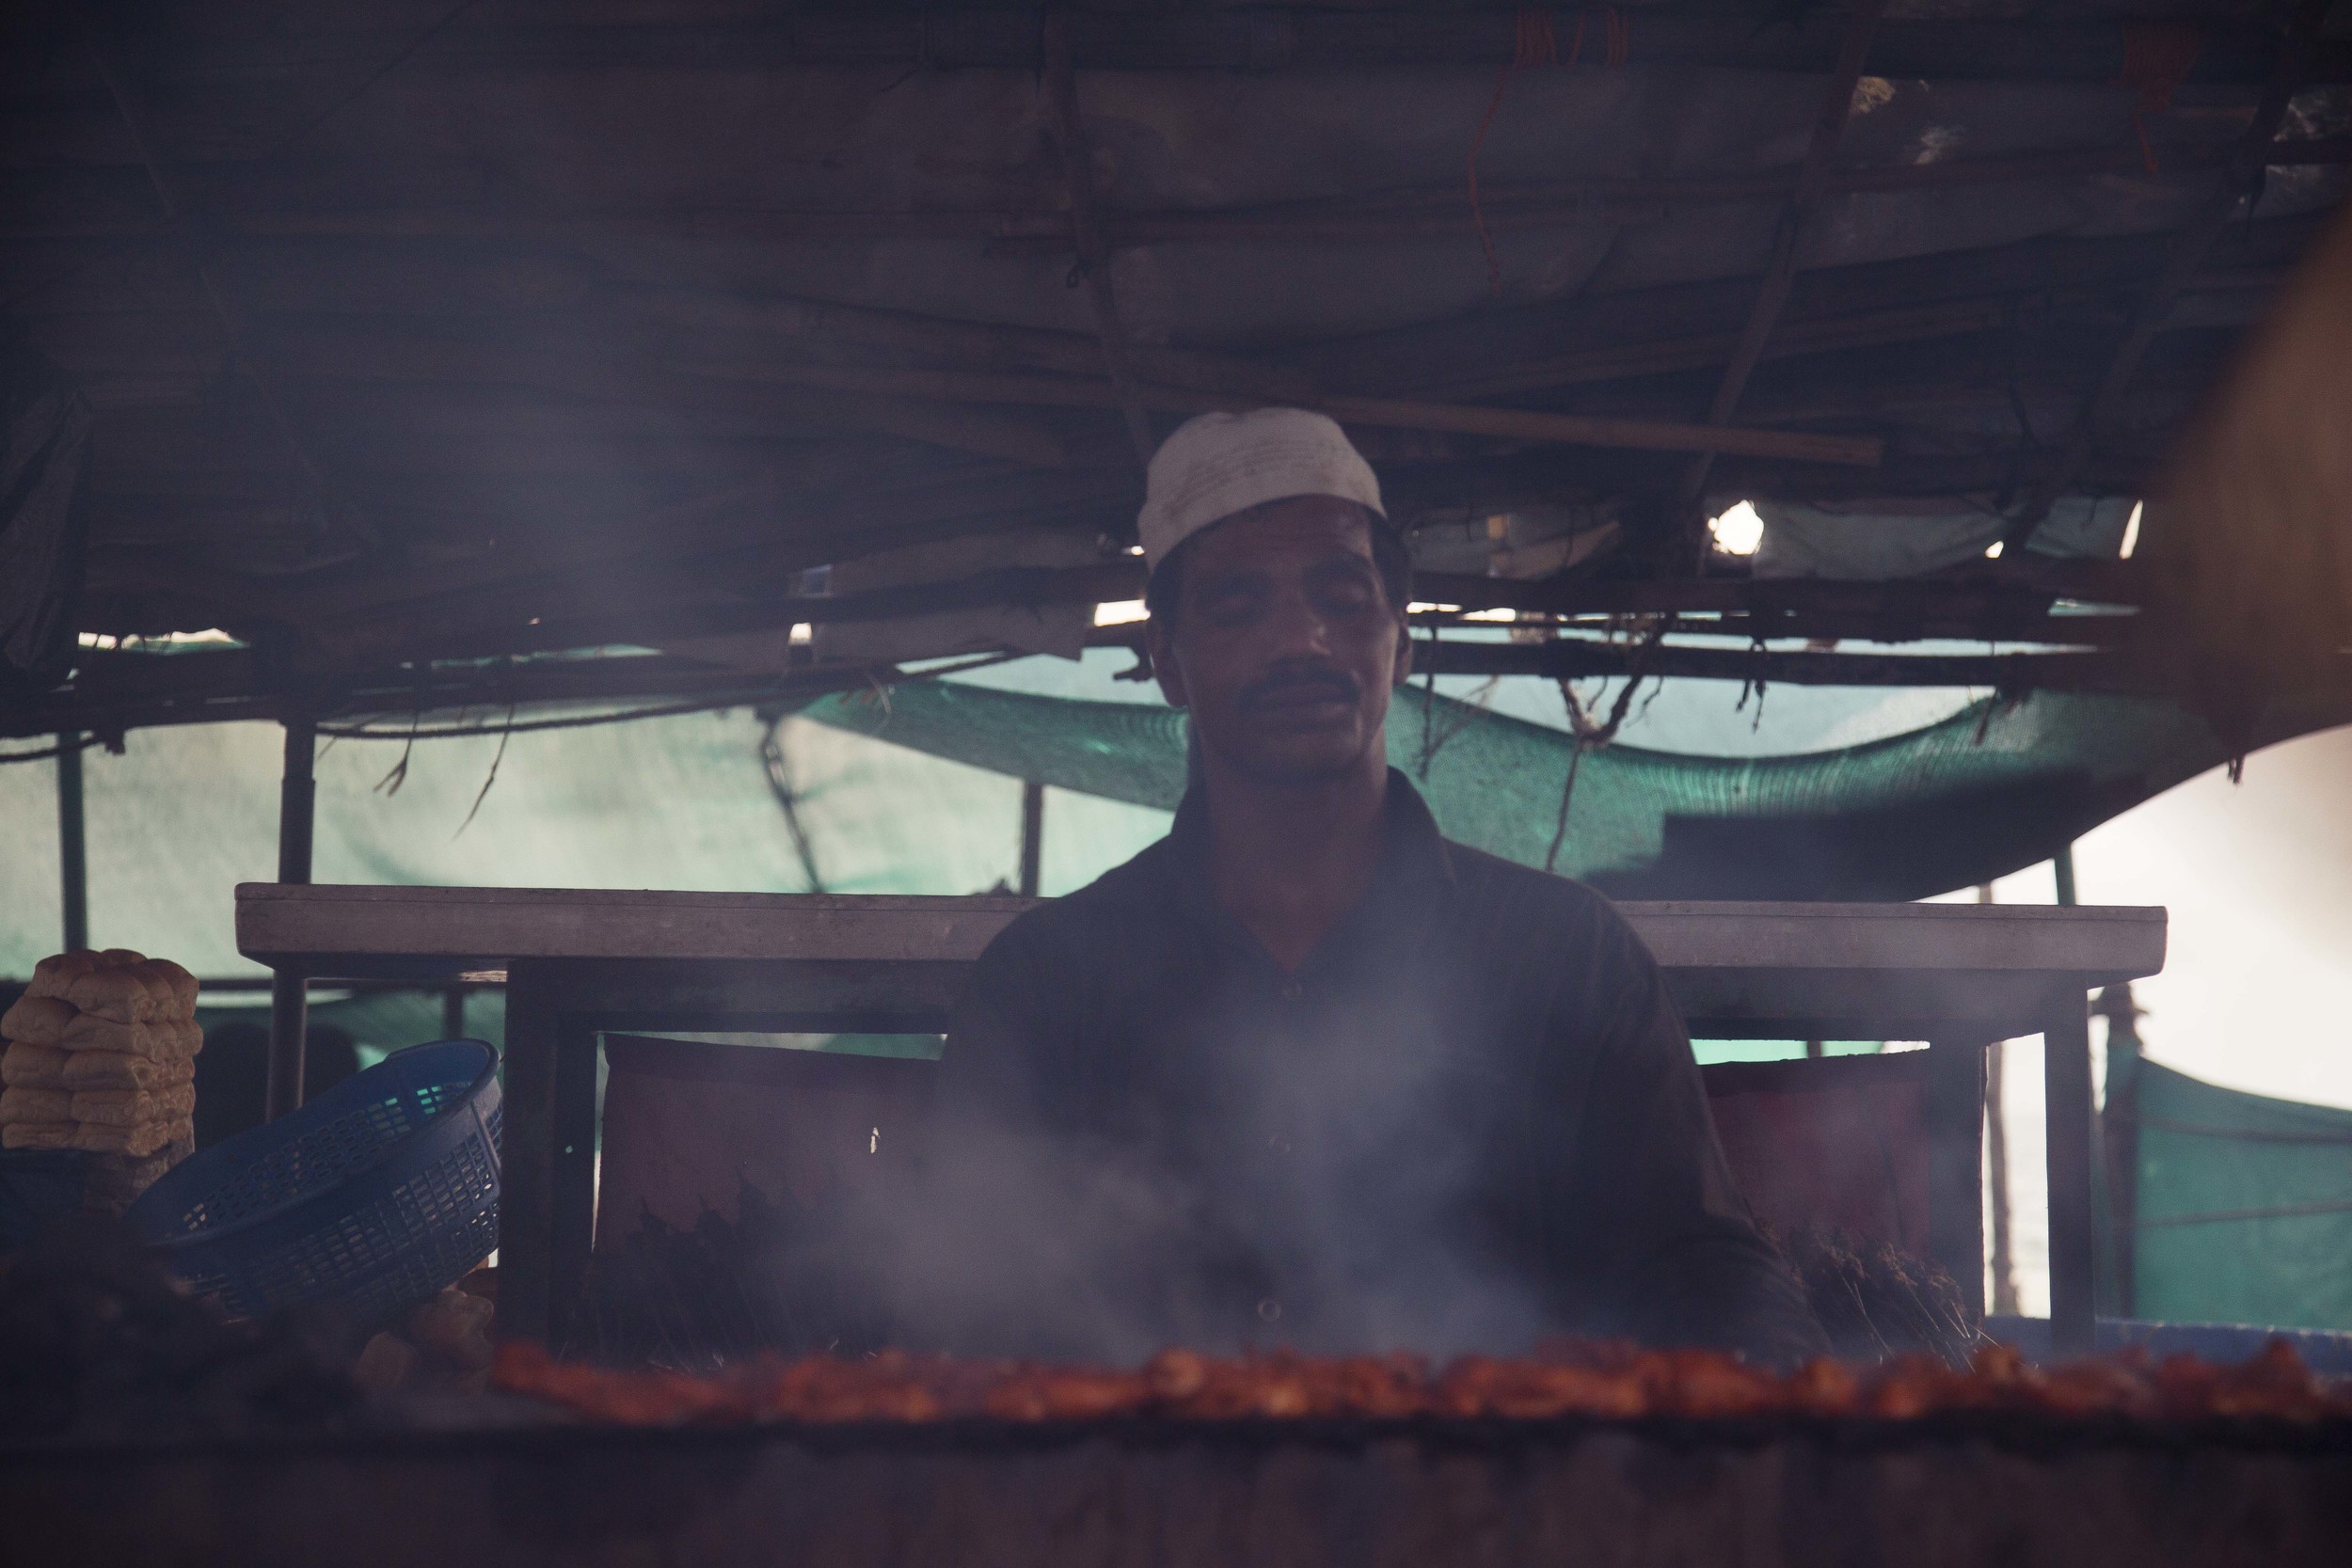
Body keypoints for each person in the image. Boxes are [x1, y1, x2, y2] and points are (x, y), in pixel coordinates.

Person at [931, 408, 1821, 1364]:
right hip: (1138, 1510)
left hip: (1504, 1505)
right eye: (1237, 605)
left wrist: (1792, 1405)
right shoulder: (1044, 984)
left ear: (1400, 644)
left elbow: (1700, 1268)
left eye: (1341, 595)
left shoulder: (1570, 957)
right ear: (1167, 664)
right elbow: (961, 1298)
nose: (1301, 641)